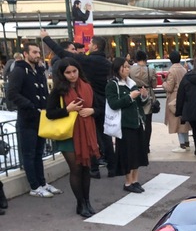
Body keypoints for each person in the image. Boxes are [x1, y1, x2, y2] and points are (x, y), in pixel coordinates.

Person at [42, 30, 115, 179]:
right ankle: (112, 168)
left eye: (91, 44)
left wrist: (47, 39)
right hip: (101, 103)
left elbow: (64, 55)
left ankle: (94, 169)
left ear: (95, 47)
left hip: (86, 101)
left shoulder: (88, 61)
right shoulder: (107, 63)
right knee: (105, 136)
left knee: (90, 135)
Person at [46, 58, 100, 217]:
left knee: (86, 168)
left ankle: (87, 201)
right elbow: (49, 113)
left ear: (78, 70)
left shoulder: (87, 86)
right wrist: (67, 109)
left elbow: (99, 107)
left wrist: (92, 111)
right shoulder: (58, 90)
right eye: (68, 72)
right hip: (68, 134)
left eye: (74, 71)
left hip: (86, 133)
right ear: (62, 74)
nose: (72, 75)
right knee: (76, 168)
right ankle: (80, 204)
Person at [7, 42, 63, 197]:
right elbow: (12, 94)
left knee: (39, 152)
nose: (38, 55)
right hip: (27, 118)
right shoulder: (19, 71)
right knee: (29, 154)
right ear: (25, 54)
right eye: (34, 52)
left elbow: (44, 90)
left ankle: (42, 182)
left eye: (38, 52)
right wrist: (30, 105)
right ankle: (34, 186)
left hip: (40, 118)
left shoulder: (38, 70)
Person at [105, 57, 149, 193]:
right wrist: (130, 97)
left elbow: (139, 103)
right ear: (117, 68)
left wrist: (143, 96)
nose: (127, 69)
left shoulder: (131, 83)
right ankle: (128, 182)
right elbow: (113, 104)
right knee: (127, 154)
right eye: (124, 67)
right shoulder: (113, 84)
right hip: (124, 124)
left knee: (137, 153)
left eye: (128, 67)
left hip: (137, 123)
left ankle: (135, 180)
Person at [129, 50, 157, 154]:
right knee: (148, 122)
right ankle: (146, 145)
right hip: (148, 94)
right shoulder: (150, 70)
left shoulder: (131, 69)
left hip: (135, 93)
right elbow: (154, 84)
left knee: (136, 121)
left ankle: (138, 144)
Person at [162, 50, 191, 152]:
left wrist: (163, 83)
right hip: (185, 96)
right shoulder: (183, 69)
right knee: (184, 121)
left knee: (176, 122)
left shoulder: (171, 71)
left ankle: (182, 144)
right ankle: (187, 142)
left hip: (174, 97)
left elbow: (169, 88)